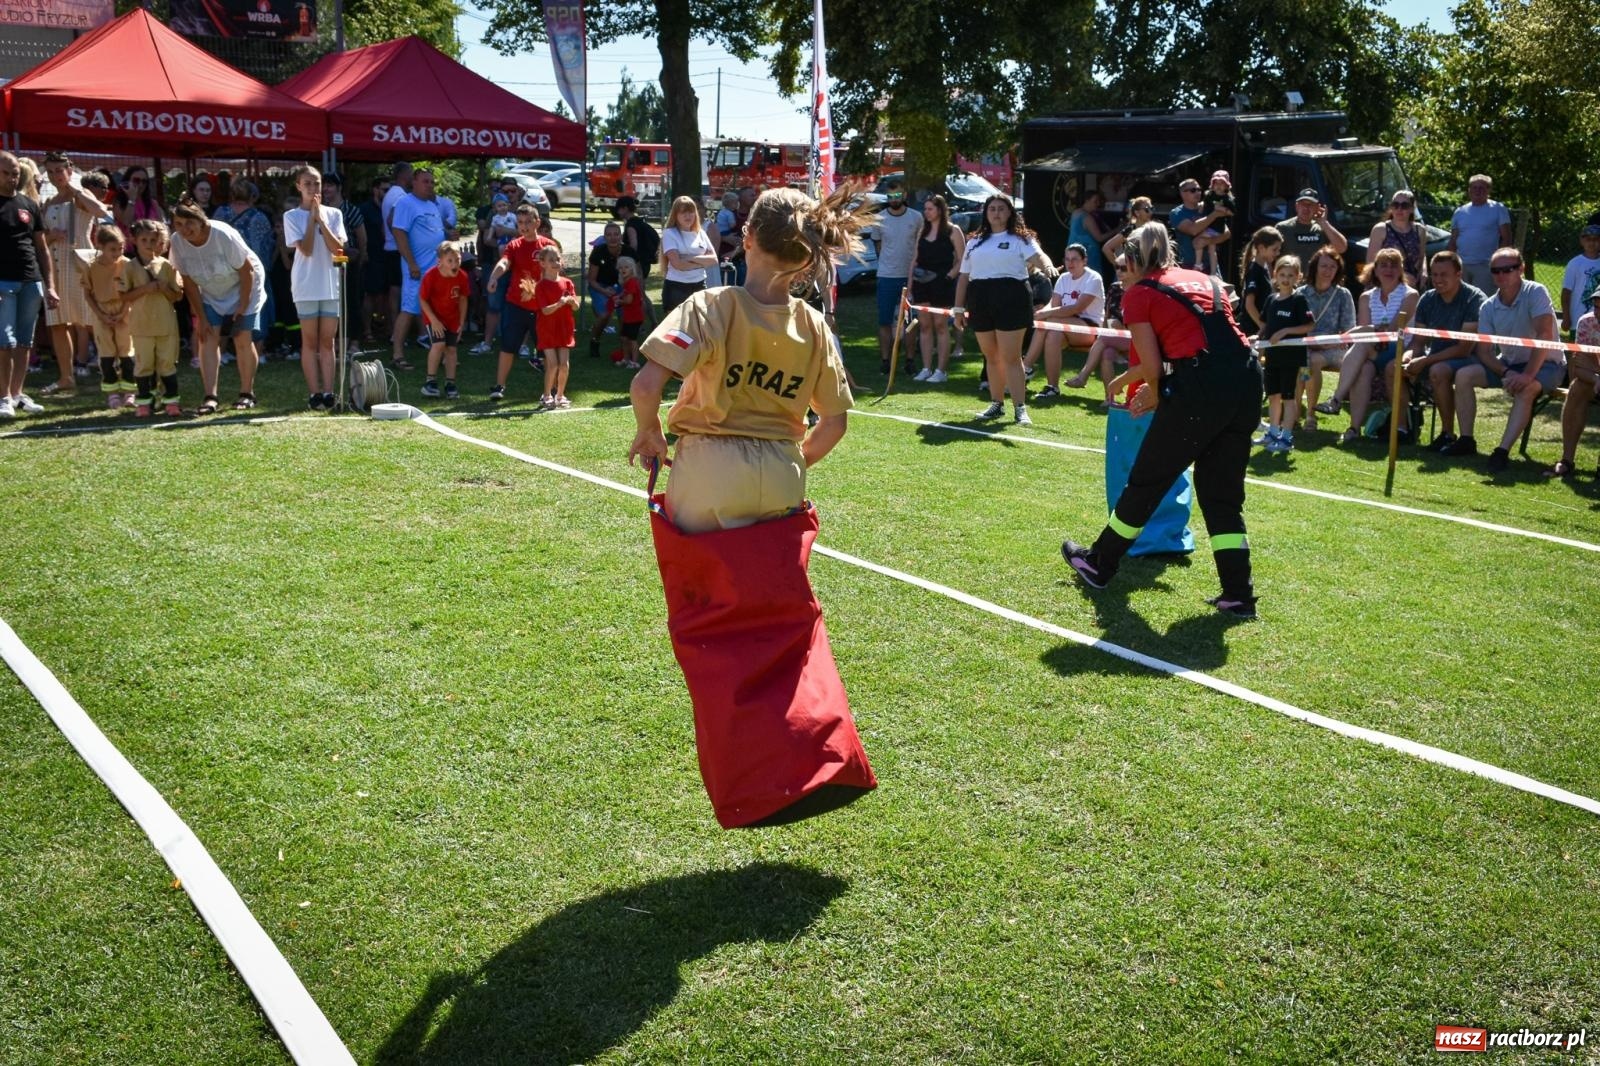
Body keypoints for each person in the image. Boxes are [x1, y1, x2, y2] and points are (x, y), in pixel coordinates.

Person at [626, 184, 867, 531]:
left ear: (748, 237)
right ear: (805, 258)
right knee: (763, 582)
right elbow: (835, 423)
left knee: (698, 582)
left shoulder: (709, 306)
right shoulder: (815, 326)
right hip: (783, 474)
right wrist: (787, 462)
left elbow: (646, 387)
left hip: (708, 472)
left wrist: (649, 430)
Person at [1060, 221, 1264, 619]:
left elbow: (1157, 364)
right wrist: (1131, 380)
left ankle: (1099, 564)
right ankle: (1239, 594)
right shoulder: (1202, 278)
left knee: (1147, 479)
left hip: (1200, 388)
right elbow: (1199, 338)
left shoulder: (1139, 294)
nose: (1121, 275)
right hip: (1245, 381)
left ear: (1136, 262)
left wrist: (1154, 391)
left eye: (1122, 267)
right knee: (1222, 496)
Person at [1442, 247, 1560, 472]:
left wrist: (1526, 375)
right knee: (1464, 375)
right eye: (1496, 270)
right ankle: (1466, 439)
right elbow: (1484, 352)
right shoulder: (1488, 306)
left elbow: (1544, 335)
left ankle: (1501, 451)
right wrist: (1507, 372)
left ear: (1521, 269)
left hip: (1547, 364)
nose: (1501, 275)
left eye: (1508, 269)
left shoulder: (1536, 292)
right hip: (1509, 364)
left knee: (1526, 389)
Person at [952, 195, 1053, 426]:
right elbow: (964, 277)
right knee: (991, 356)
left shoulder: (1021, 238)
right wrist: (958, 309)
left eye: (1001, 209)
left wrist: (1046, 265)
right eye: (992, 209)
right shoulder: (974, 242)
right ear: (986, 213)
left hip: (1012, 296)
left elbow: (1038, 255)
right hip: (980, 298)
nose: (996, 213)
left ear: (1010, 213)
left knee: (1011, 356)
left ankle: (1020, 408)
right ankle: (997, 404)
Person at [169, 200, 267, 413]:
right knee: (207, 338)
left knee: (242, 337)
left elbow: (247, 271)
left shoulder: (222, 234)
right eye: (178, 224)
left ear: (200, 220)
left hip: (245, 285)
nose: (185, 229)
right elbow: (188, 281)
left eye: (189, 222)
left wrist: (242, 305)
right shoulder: (176, 241)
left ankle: (247, 393)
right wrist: (201, 316)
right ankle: (210, 397)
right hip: (211, 291)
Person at [1318, 248, 1419, 444]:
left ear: (1401, 270)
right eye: (1383, 265)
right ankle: (1354, 428)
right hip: (1372, 350)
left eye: (1393, 265)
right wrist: (1370, 331)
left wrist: (1371, 330)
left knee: (1362, 346)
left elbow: (1392, 330)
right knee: (1363, 367)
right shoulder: (1366, 297)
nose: (1388, 269)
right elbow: (1366, 331)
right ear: (1375, 269)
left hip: (1398, 350)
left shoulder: (1410, 295)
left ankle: (1336, 399)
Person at [1400, 251, 1484, 451]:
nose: (1438, 280)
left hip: (1472, 359)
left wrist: (1425, 361)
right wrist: (1408, 357)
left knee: (1438, 371)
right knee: (1393, 368)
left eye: (1444, 274)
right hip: (1436, 357)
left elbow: (1464, 348)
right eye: (1434, 274)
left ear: (1458, 274)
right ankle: (1401, 429)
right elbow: (1419, 341)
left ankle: (1447, 433)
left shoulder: (1474, 299)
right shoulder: (1427, 299)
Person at [40, 152, 107, 396]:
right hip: (55, 266)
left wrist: (76, 189)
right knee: (58, 323)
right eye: (51, 171)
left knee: (92, 320)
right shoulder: (48, 202)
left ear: (69, 169)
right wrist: (51, 236)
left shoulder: (81, 194)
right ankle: (66, 377)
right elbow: (41, 239)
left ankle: (114, 370)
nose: (56, 175)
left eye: (59, 170)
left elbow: (101, 212)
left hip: (79, 263)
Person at [283, 165, 347, 411]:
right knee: (309, 341)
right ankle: (314, 393)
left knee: (328, 341)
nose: (313, 188)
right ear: (299, 186)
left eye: (317, 183)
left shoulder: (334, 214)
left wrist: (321, 219)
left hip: (330, 285)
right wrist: (311, 220)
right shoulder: (291, 216)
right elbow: (307, 249)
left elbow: (337, 248)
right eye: (307, 183)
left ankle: (329, 392)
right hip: (306, 286)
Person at [0, 152, 58, 420]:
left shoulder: (28, 204)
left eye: (14, 173)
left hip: (31, 282)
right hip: (3, 283)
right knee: (4, 343)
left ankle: (16, 394)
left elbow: (42, 248)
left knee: (24, 342)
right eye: (6, 173)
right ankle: (3, 399)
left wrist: (50, 285)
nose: (12, 178)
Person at [486, 205, 557, 401]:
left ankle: (551, 391)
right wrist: (494, 277)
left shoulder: (548, 245)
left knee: (546, 350)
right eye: (520, 223)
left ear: (537, 222)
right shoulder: (514, 246)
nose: (523, 226)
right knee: (508, 346)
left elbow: (557, 272)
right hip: (515, 305)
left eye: (527, 222)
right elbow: (504, 263)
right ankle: (499, 386)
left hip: (542, 308)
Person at [1024, 243, 1104, 399]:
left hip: (1090, 329)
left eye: (1075, 259)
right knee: (1052, 334)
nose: (1070, 263)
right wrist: (1042, 313)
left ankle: (1027, 366)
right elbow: (1054, 304)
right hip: (1064, 327)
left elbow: (1077, 308)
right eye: (1067, 259)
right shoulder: (1063, 278)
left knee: (1051, 321)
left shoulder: (1094, 278)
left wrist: (1044, 314)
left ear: (1085, 261)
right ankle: (1052, 386)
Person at [123, 219, 184, 417]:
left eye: (153, 239)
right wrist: (145, 289)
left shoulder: (166, 265)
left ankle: (171, 401)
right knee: (144, 364)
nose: (149, 244)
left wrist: (164, 288)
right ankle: (144, 402)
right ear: (134, 240)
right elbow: (123, 295)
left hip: (165, 325)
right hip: (141, 326)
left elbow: (178, 295)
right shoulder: (129, 267)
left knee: (167, 363)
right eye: (144, 240)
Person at [390, 168, 448, 372]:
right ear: (413, 182)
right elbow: (398, 232)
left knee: (438, 311)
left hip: (436, 270)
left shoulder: (431, 205)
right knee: (409, 309)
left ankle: (441, 354)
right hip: (417, 270)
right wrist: (411, 263)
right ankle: (397, 354)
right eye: (426, 181)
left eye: (432, 182)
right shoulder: (406, 203)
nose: (430, 185)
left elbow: (434, 233)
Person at [1254, 256, 1314, 453]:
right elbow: (1265, 326)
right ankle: (1272, 432)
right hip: (1273, 357)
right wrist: (1257, 338)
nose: (1286, 279)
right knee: (1273, 396)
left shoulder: (1299, 300)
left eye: (1290, 275)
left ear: (1298, 277)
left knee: (1289, 398)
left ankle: (1286, 437)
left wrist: (1285, 331)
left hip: (1292, 358)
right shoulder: (1271, 300)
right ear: (1275, 276)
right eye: (1282, 275)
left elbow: (1309, 325)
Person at [1297, 247, 1357, 429]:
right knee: (1304, 362)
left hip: (1334, 348)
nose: (1328, 271)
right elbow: (1295, 327)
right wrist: (1313, 341)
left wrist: (1327, 343)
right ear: (1315, 267)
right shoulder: (1300, 293)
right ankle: (1295, 407)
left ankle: (1310, 414)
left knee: (1312, 361)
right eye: (1324, 266)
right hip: (1305, 346)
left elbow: (1349, 331)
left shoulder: (1342, 295)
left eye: (1332, 267)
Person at [78, 225, 137, 408]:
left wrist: (123, 311)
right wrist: (101, 315)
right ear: (100, 246)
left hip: (124, 311)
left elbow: (132, 290)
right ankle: (112, 392)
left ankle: (129, 391)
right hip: (102, 313)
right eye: (112, 249)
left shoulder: (127, 264)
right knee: (107, 354)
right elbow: (88, 293)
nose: (117, 253)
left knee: (127, 352)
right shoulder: (91, 267)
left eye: (120, 248)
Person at [1544, 285, 1600, 479]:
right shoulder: (1586, 322)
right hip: (1594, 379)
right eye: (1596, 305)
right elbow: (1579, 366)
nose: (1598, 311)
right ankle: (1567, 460)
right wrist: (1595, 378)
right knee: (1576, 389)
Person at [865, 181, 922, 373]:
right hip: (886, 276)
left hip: (909, 276)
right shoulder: (879, 219)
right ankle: (885, 361)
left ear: (904, 195)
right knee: (885, 320)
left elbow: (919, 245)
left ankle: (910, 360)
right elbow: (878, 246)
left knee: (910, 321)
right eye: (890, 197)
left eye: (897, 196)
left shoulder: (916, 218)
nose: (894, 200)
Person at [213, 180, 276, 348]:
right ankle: (257, 351)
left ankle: (223, 350)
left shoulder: (220, 213)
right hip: (250, 271)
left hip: (223, 271)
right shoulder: (259, 218)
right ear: (253, 196)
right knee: (255, 308)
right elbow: (262, 249)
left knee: (225, 309)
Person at [908, 194, 964, 383]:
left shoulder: (952, 230)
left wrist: (949, 276)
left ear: (940, 209)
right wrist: (909, 287)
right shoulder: (922, 231)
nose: (926, 212)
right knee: (924, 325)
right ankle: (926, 368)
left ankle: (941, 370)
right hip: (921, 281)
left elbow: (962, 259)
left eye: (930, 208)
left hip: (942, 282)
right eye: (925, 209)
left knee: (940, 325)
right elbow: (914, 260)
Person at [1068, 254, 1134, 393]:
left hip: (1136, 337)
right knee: (1106, 353)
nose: (1118, 271)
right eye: (1116, 267)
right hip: (1114, 336)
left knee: (1104, 340)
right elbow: (1107, 314)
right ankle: (1109, 398)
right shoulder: (1114, 288)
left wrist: (1120, 328)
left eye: (1123, 268)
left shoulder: (1140, 290)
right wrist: (1106, 330)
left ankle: (1083, 376)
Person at [419, 241, 468, 402]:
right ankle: (430, 382)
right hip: (434, 317)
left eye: (457, 259)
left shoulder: (462, 276)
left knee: (452, 350)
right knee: (439, 345)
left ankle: (450, 383)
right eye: (450, 261)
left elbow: (463, 299)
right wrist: (434, 320)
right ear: (440, 261)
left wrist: (461, 322)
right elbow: (423, 299)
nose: (455, 264)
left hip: (452, 318)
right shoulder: (431, 276)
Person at [1448, 174, 1512, 291]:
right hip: (1462, 265)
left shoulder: (1498, 209)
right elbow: (1453, 240)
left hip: (1485, 266)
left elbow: (1506, 238)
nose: (1478, 191)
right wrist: (1450, 263)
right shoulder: (1460, 212)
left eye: (1482, 188)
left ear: (1489, 190)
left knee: (1483, 300)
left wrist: (1498, 262)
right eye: (1474, 187)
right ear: (1469, 190)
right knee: (1461, 299)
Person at [533, 245, 579, 408]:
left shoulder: (567, 283)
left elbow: (576, 307)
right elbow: (545, 311)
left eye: (558, 259)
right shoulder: (541, 286)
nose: (555, 262)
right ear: (543, 263)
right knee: (552, 364)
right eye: (551, 260)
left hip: (564, 328)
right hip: (547, 329)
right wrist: (560, 303)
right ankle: (546, 395)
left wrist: (572, 301)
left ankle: (560, 395)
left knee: (564, 365)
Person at [660, 195, 716, 314]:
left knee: (698, 327)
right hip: (676, 288)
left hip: (700, 285)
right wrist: (702, 262)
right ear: (676, 215)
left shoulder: (701, 233)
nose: (688, 216)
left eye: (691, 212)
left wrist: (690, 258)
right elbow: (678, 264)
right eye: (683, 213)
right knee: (675, 328)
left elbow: (714, 260)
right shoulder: (669, 233)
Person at [1275, 189, 1348, 273]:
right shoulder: (1282, 227)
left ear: (1317, 207)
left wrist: (1324, 223)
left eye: (1310, 205)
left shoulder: (1323, 228)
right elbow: (1270, 257)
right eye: (1303, 204)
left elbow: (1342, 248)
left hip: (1315, 282)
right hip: (1290, 281)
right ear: (1296, 206)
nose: (1306, 208)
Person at [1169, 178, 1232, 270]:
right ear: (1182, 193)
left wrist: (1208, 241)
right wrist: (1214, 215)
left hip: (1211, 266)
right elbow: (1193, 230)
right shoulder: (1176, 213)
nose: (1197, 193)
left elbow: (1226, 234)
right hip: (1189, 265)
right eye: (1193, 190)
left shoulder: (1208, 208)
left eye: (1199, 190)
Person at [1367, 190, 1426, 288]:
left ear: (1412, 209)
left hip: (1413, 286)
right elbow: (1371, 263)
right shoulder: (1381, 229)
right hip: (1386, 286)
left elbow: (1422, 255)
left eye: (1404, 206)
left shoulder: (1420, 230)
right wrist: (1403, 277)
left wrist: (1424, 271)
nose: (1399, 209)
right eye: (1395, 205)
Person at [381, 162, 414, 331]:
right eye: (411, 173)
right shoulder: (400, 195)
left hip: (389, 248)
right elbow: (391, 220)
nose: (413, 177)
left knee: (394, 291)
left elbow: (384, 224)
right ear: (403, 175)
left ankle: (393, 328)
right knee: (398, 292)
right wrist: (402, 241)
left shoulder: (390, 193)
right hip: (396, 249)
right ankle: (397, 330)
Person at [585, 223, 626, 360]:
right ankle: (594, 340)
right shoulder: (598, 252)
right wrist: (604, 291)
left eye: (616, 234)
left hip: (622, 285)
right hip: (600, 285)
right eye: (609, 235)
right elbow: (591, 280)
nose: (613, 238)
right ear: (604, 237)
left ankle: (624, 349)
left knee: (625, 315)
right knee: (604, 315)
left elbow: (634, 276)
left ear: (621, 236)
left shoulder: (628, 251)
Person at [359, 177, 391, 346]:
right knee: (370, 295)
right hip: (371, 258)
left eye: (389, 190)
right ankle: (367, 331)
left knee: (387, 296)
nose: (387, 194)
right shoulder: (364, 209)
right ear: (375, 190)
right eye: (384, 190)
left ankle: (386, 328)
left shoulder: (392, 208)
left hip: (389, 256)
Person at [1237, 227, 1284, 335]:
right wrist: (1263, 326)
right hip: (1252, 330)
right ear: (1262, 248)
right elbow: (1249, 305)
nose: (1277, 253)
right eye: (1274, 249)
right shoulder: (1254, 270)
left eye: (1279, 249)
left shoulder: (1265, 267)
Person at [1559, 224, 1600, 339]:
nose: (1592, 243)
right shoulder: (1575, 263)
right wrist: (1566, 317)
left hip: (1598, 319)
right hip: (1578, 319)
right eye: (1588, 239)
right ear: (1582, 241)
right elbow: (1566, 292)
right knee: (1578, 354)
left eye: (1596, 239)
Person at [1192, 170, 1236, 275]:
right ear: (1212, 184)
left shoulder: (1227, 199)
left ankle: (1198, 264)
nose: (1219, 186)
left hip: (1216, 227)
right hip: (1208, 226)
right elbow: (1206, 206)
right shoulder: (1209, 195)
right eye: (1216, 183)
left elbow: (1232, 213)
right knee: (1212, 250)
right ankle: (1213, 273)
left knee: (1197, 241)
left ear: (1226, 186)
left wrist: (1222, 210)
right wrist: (1201, 208)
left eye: (1222, 184)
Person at [113, 164, 165, 242]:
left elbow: (162, 226)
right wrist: (132, 198)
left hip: (150, 247)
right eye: (136, 180)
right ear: (128, 181)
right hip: (128, 249)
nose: (140, 184)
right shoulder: (119, 201)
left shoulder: (153, 203)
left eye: (144, 181)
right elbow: (127, 222)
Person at [614, 195, 660, 282]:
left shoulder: (631, 225)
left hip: (637, 264)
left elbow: (633, 245)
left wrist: (625, 259)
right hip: (646, 262)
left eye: (619, 209)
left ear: (625, 208)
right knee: (640, 291)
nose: (618, 211)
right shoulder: (639, 222)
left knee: (636, 291)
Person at [1066, 189, 1111, 274]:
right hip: (1088, 255)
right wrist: (1118, 230)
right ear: (1087, 200)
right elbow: (1099, 238)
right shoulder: (1087, 217)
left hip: (1074, 252)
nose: (1098, 204)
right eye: (1095, 201)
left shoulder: (1076, 212)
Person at [616, 255, 646, 367]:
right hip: (628, 316)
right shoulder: (626, 282)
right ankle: (626, 358)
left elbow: (629, 300)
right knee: (624, 338)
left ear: (632, 269)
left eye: (626, 267)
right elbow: (625, 295)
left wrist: (619, 302)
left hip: (635, 316)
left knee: (632, 339)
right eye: (620, 267)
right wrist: (618, 297)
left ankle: (634, 361)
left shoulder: (632, 282)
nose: (623, 270)